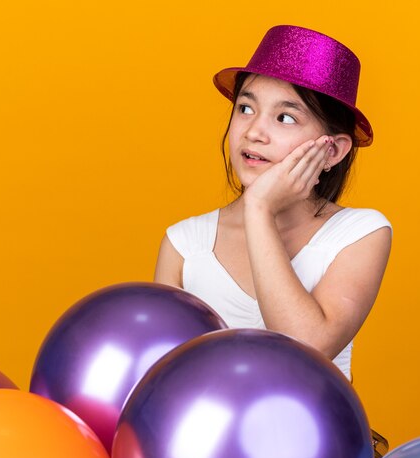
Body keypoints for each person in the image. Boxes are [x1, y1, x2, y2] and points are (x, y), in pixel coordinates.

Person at [154, 25, 392, 381]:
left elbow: (307, 349)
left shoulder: (360, 234)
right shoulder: (184, 244)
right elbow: (160, 380)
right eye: (246, 108)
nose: (253, 132)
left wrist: (259, 210)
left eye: (284, 117)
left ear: (334, 150)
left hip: (317, 437)